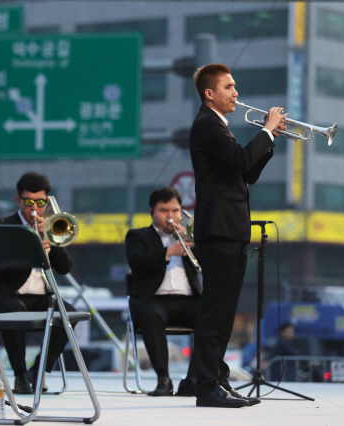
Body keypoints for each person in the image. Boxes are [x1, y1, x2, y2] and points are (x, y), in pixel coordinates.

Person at [189, 63, 286, 408]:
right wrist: (269, 131)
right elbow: (243, 161)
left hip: (230, 228)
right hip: (219, 228)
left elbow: (246, 174)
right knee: (214, 310)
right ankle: (206, 387)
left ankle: (219, 380)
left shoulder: (219, 126)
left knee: (226, 311)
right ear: (209, 94)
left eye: (235, 86)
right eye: (228, 87)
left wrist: (270, 139)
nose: (236, 93)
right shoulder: (207, 124)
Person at [0, 171, 75, 394]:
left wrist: (51, 244)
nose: (34, 208)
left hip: (40, 297)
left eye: (41, 202)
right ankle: (19, 375)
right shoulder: (2, 224)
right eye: (29, 202)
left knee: (68, 313)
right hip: (7, 295)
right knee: (13, 309)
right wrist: (31, 251)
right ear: (18, 200)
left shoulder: (50, 228)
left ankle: (38, 370)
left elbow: (64, 268)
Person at [125, 187, 201, 397]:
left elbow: (208, 264)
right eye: (163, 210)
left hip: (187, 300)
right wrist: (168, 251)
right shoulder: (138, 236)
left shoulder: (189, 237)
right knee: (151, 314)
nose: (170, 216)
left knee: (213, 314)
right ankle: (163, 379)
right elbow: (137, 263)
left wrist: (195, 245)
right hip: (153, 299)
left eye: (175, 210)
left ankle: (193, 379)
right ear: (152, 211)